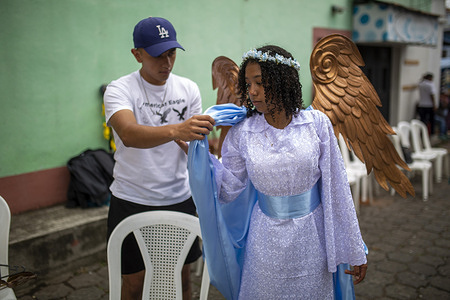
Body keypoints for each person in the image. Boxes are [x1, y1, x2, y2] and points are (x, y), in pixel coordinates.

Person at [184, 45, 368, 299]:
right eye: (248, 84)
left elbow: (337, 188)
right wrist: (198, 157)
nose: (253, 91)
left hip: (311, 237)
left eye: (260, 82)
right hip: (265, 239)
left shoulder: (316, 125)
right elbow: (229, 188)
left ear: (284, 80)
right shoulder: (243, 133)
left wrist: (353, 248)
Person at [103, 17, 215, 300]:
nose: (166, 63)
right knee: (134, 283)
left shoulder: (188, 88)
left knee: (181, 278)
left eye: (171, 53)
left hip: (178, 197)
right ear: (137, 54)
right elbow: (128, 134)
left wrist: (207, 147)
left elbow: (193, 145)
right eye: (157, 55)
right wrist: (178, 128)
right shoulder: (120, 89)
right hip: (131, 198)